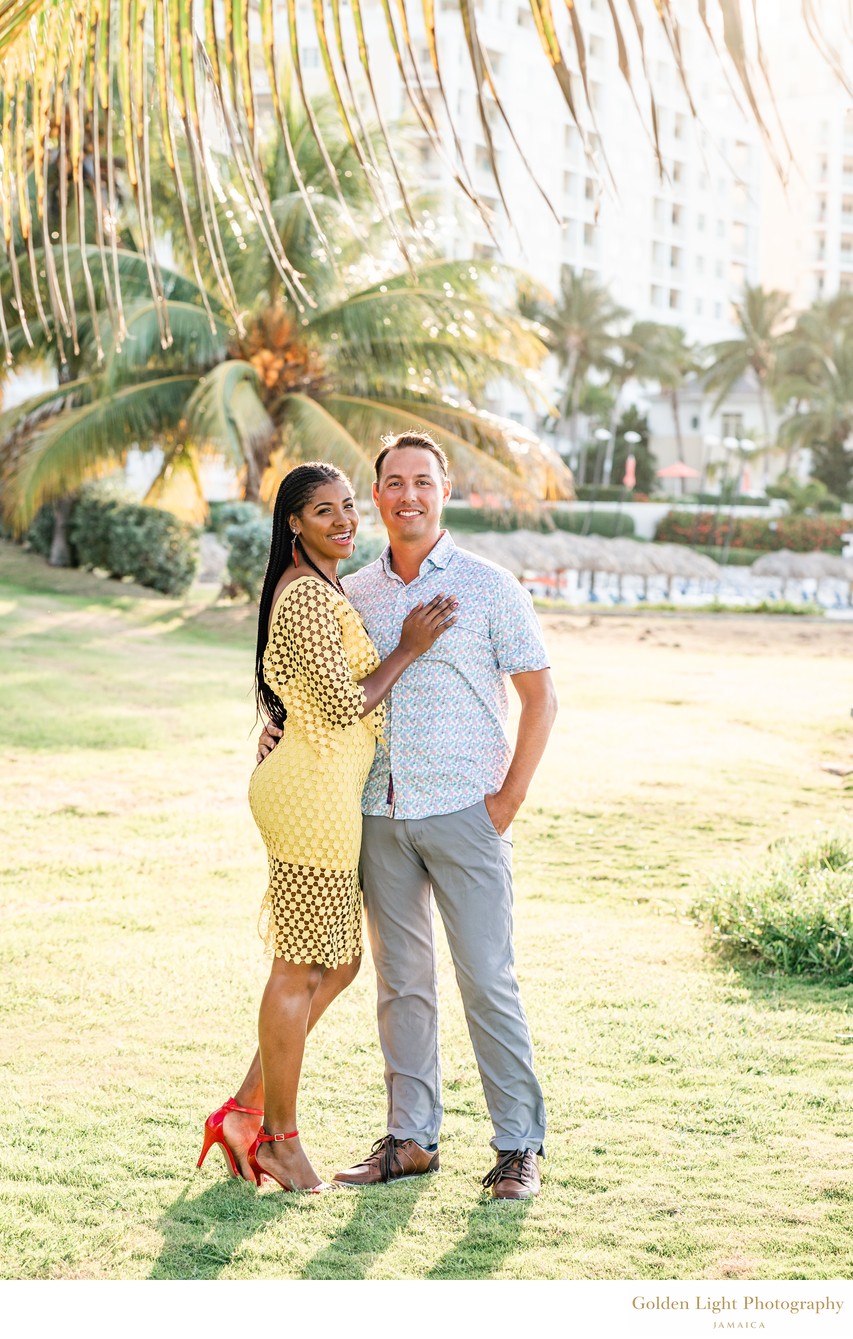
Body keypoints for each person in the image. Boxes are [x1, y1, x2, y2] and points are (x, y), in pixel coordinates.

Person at [255, 432, 559, 1200]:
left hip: (467, 812)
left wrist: (506, 801)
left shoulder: (490, 587)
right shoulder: (351, 590)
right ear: (379, 493)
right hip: (377, 815)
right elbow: (320, 685)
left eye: (422, 481)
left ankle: (517, 1145)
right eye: (393, 482)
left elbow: (539, 696)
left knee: (487, 978)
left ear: (444, 490)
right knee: (400, 982)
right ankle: (411, 1137)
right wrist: (276, 723)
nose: (407, 496)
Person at [197, 461, 457, 1192]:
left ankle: (245, 1109)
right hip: (309, 798)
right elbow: (344, 706)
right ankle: (276, 1138)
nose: (343, 520)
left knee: (336, 963)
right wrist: (408, 645)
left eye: (348, 507)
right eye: (323, 511)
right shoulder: (307, 595)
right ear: (293, 524)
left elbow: (304, 697)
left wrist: (277, 724)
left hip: (324, 790)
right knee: (299, 965)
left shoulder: (323, 588)